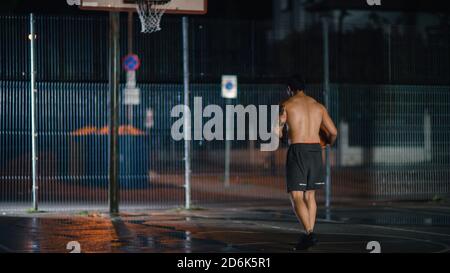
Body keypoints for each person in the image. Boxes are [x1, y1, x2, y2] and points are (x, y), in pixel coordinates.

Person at [278, 75, 338, 250]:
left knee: (296, 196)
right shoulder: (318, 106)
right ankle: (308, 234)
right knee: (309, 195)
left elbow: (277, 132)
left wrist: (280, 130)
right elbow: (333, 132)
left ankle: (310, 234)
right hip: (315, 151)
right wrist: (326, 143)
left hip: (298, 150)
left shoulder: (286, 105)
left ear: (290, 88)